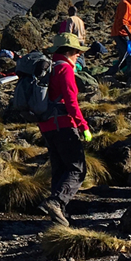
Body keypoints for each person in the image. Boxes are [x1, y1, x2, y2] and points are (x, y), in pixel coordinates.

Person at [36, 35, 92, 228]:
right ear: (69, 52)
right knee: (77, 168)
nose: (78, 56)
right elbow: (71, 101)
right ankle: (57, 203)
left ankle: (60, 218)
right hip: (63, 125)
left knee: (60, 169)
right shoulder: (64, 69)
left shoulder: (48, 69)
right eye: (77, 53)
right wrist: (83, 125)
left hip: (46, 126)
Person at [105, 0, 131, 84]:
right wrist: (130, 34)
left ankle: (108, 75)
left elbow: (129, 22)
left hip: (123, 33)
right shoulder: (125, 4)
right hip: (121, 34)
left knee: (124, 57)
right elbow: (122, 22)